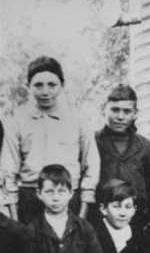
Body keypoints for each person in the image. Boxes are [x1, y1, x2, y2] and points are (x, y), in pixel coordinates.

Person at [0, 56, 100, 224]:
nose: (45, 92)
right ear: (28, 86)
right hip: (31, 198)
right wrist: (16, 220)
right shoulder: (16, 121)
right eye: (38, 85)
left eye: (52, 85)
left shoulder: (78, 120)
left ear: (62, 85)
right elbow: (8, 170)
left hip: (68, 196)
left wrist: (81, 215)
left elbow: (91, 165)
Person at [95, 84, 150, 221]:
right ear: (104, 109)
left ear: (135, 114)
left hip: (137, 216)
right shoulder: (94, 142)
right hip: (102, 216)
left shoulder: (144, 145)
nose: (120, 117)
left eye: (127, 111)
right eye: (115, 110)